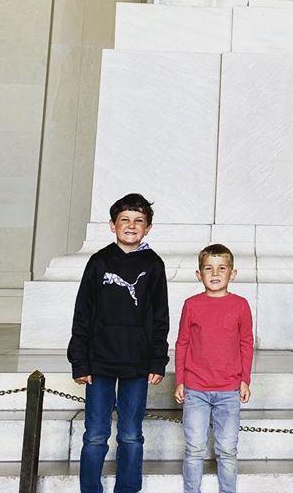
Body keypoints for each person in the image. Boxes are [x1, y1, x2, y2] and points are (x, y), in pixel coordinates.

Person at [68, 193, 169, 493]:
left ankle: (127, 488)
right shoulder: (99, 262)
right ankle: (90, 489)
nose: (131, 226)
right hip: (98, 362)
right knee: (96, 434)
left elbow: (160, 317)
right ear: (112, 225)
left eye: (139, 221)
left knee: (130, 434)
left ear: (148, 228)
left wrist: (157, 360)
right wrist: (79, 361)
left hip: (137, 363)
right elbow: (82, 312)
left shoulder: (154, 265)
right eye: (124, 220)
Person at [174, 243, 254, 493]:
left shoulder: (240, 305)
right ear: (199, 275)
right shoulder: (192, 304)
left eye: (222, 268)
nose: (215, 273)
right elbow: (182, 342)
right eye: (209, 268)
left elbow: (246, 343)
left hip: (229, 390)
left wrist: (245, 379)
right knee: (194, 449)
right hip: (196, 389)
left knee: (227, 450)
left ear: (233, 273)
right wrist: (180, 379)